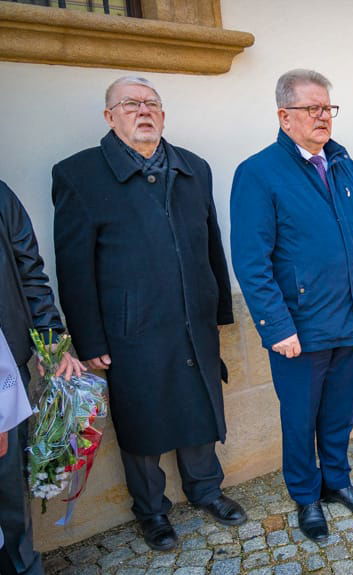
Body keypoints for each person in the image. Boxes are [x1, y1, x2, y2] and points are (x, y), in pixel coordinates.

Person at [52, 76, 245, 552]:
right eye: (130, 104)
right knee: (142, 422)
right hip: (129, 327)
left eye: (152, 103)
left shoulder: (193, 167)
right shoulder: (78, 174)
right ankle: (152, 512)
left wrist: (219, 306)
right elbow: (73, 266)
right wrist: (90, 341)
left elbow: (210, 243)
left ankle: (205, 490)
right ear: (109, 116)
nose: (143, 111)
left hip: (190, 317)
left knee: (200, 405)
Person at [231, 70, 353, 541]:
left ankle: (337, 481)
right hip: (298, 327)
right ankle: (305, 496)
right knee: (300, 419)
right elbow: (251, 262)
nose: (323, 117)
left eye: (328, 109)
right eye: (312, 109)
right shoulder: (258, 173)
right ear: (284, 116)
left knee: (339, 413)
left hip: (348, 318)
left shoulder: (344, 166)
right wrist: (276, 326)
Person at [0, 180, 85, 575]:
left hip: (4, 368)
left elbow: (28, 270)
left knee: (8, 495)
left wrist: (51, 341)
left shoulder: (0, 195)